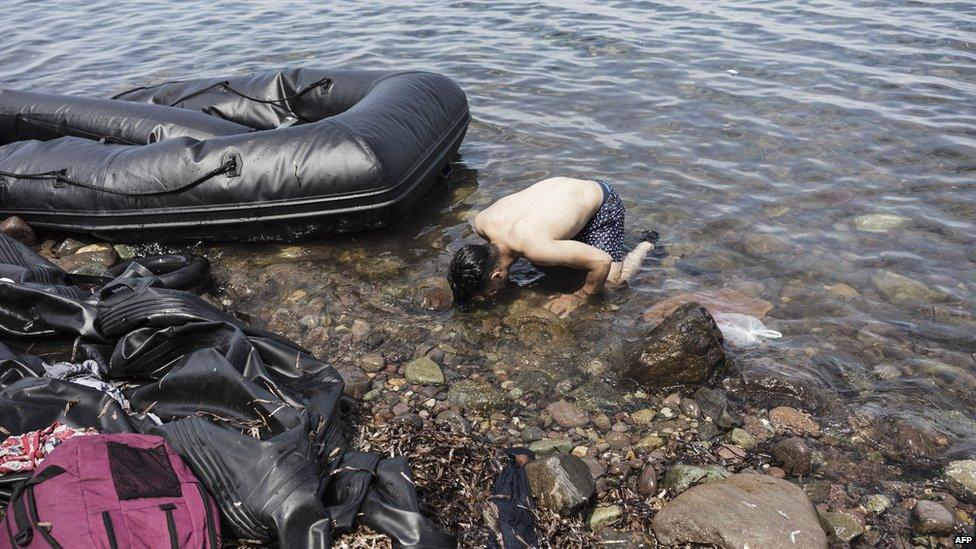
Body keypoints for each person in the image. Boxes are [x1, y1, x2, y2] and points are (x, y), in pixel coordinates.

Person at [447, 177, 656, 316]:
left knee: (611, 282)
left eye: (492, 292)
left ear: (496, 275)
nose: (495, 294)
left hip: (604, 204)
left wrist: (579, 298)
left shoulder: (536, 249)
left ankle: (647, 244)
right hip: (567, 189)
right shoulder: (482, 222)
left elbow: (602, 261)